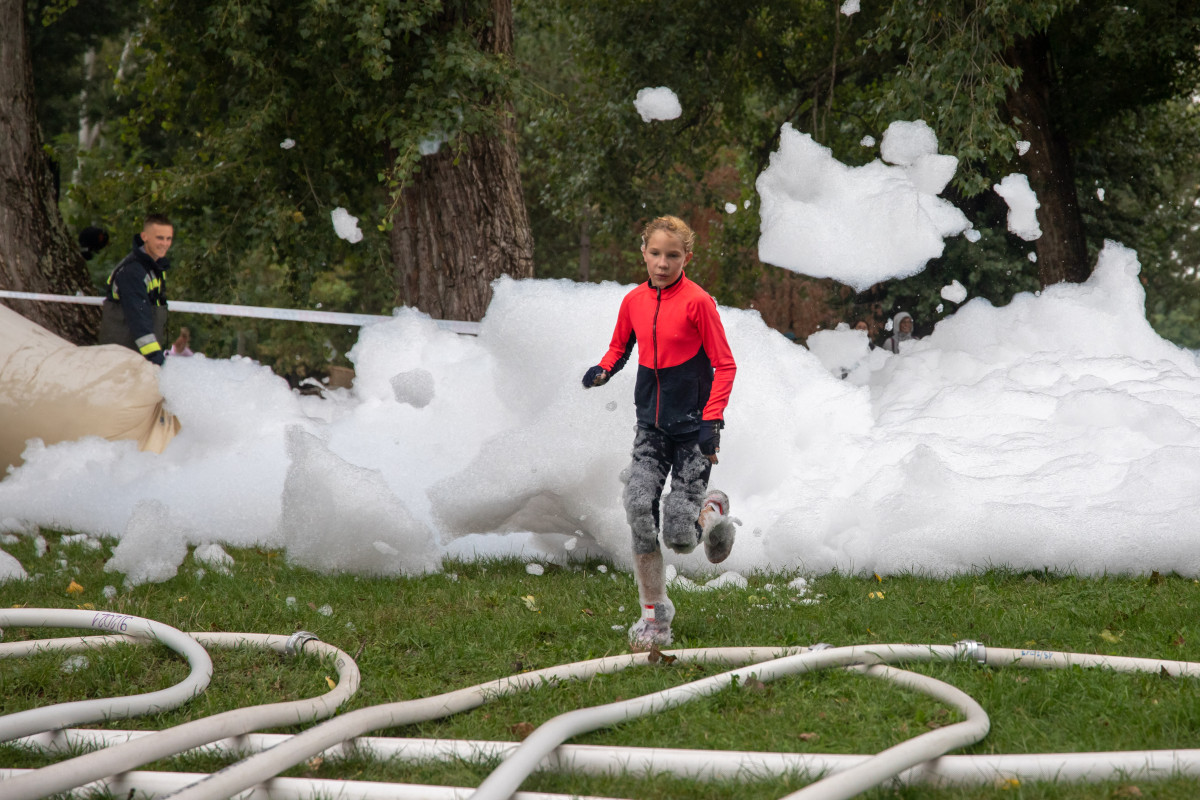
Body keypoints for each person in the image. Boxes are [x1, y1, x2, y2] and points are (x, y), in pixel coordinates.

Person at [582, 215, 737, 651]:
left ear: (687, 257)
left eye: (672, 255)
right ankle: (655, 617)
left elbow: (725, 365)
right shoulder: (633, 300)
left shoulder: (698, 302)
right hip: (650, 426)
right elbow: (620, 346)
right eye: (655, 254)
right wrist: (603, 369)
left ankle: (711, 508)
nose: (663, 264)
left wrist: (712, 421)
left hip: (693, 431)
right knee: (637, 506)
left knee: (681, 539)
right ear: (644, 253)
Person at [98, 214, 174, 365]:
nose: (165, 244)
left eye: (168, 238)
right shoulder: (132, 272)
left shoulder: (155, 268)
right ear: (144, 237)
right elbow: (140, 321)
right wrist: (158, 360)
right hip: (120, 359)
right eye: (160, 238)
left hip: (138, 357)